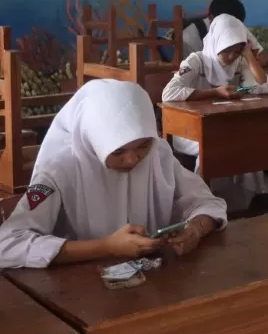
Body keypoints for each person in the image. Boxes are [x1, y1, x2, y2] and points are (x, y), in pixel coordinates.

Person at [0, 80, 227, 269]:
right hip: (78, 290)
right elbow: (7, 243)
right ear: (92, 140)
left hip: (152, 282)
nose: (132, 159)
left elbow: (207, 202)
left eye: (143, 145)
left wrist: (195, 229)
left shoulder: (158, 154)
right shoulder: (59, 168)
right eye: (117, 151)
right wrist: (105, 247)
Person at [162, 14, 268, 210]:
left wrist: (249, 56)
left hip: (224, 125)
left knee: (247, 140)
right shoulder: (196, 61)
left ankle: (243, 203)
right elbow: (169, 93)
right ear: (216, 43)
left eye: (237, 51)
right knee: (216, 144)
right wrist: (214, 92)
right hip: (189, 129)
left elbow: (264, 86)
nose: (231, 56)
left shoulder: (238, 62)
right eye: (227, 50)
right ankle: (202, 201)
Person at [182, 0, 268, 67]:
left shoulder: (237, 27)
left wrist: (249, 55)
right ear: (210, 18)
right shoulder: (189, 38)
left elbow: (264, 60)